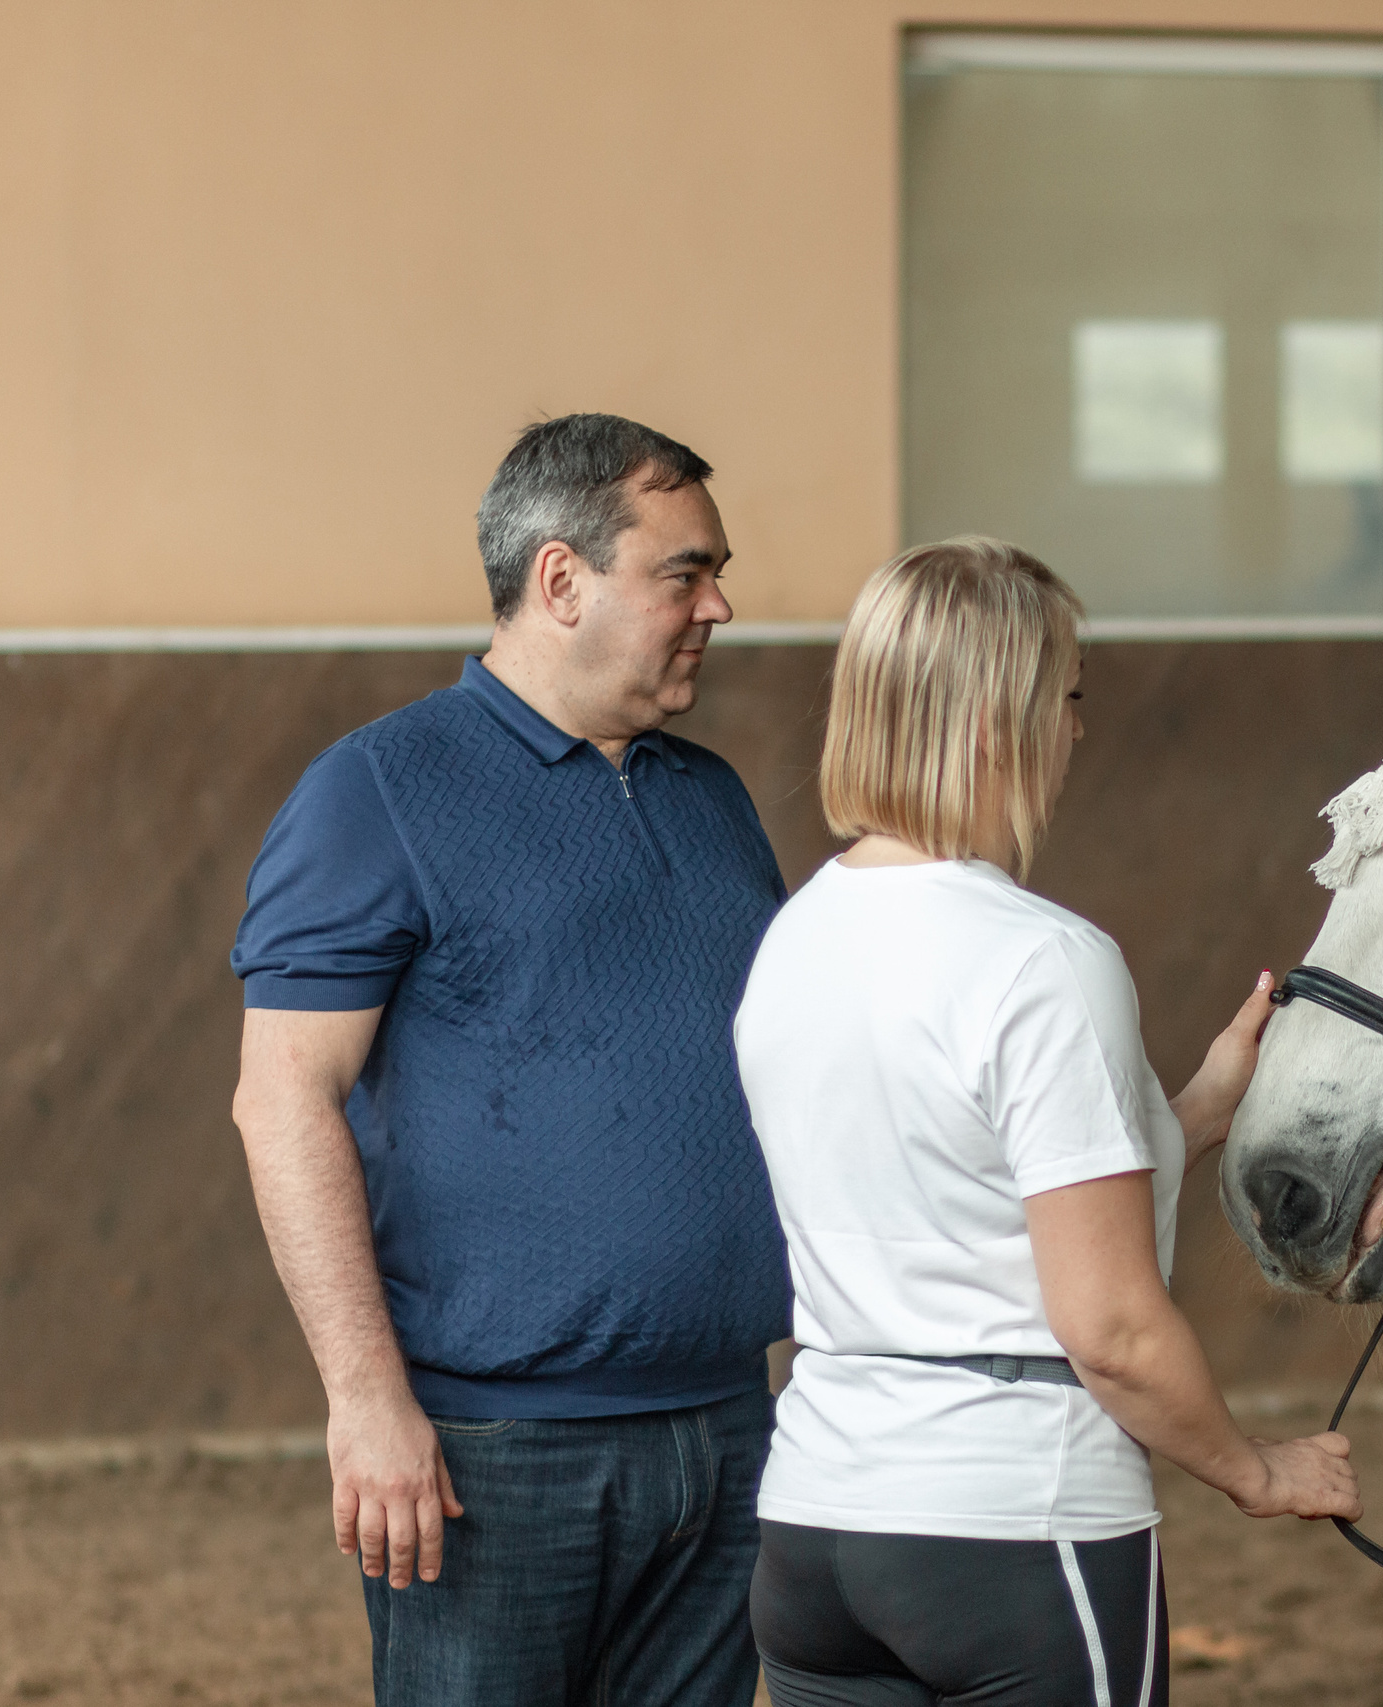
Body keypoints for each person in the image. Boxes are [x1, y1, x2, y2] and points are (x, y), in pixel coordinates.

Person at [734, 537, 1362, 1707]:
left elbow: (959, 1187)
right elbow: (1112, 1329)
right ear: (993, 723)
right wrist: (1255, 1470)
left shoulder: (797, 938)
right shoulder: (1045, 960)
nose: (1076, 729)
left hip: (816, 1532)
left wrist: (1193, 1112)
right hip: (1012, 1532)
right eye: (1064, 697)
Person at [228, 414, 790, 1705]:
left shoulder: (711, 794)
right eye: (685, 570)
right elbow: (282, 1100)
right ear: (559, 579)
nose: (720, 602)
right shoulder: (376, 787)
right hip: (496, 1447)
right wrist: (368, 1401)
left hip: (729, 1422)